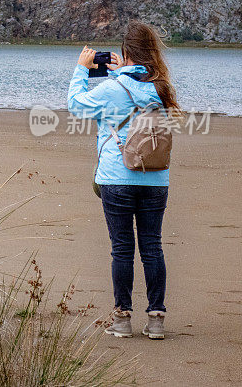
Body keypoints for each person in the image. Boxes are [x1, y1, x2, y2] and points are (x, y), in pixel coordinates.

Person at [67, 21, 181, 340]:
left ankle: (122, 319)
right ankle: (156, 319)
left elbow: (76, 105)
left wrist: (81, 69)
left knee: (121, 248)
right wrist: (122, 72)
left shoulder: (112, 88)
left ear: (124, 52)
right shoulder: (163, 89)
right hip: (155, 178)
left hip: (116, 177)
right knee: (152, 246)